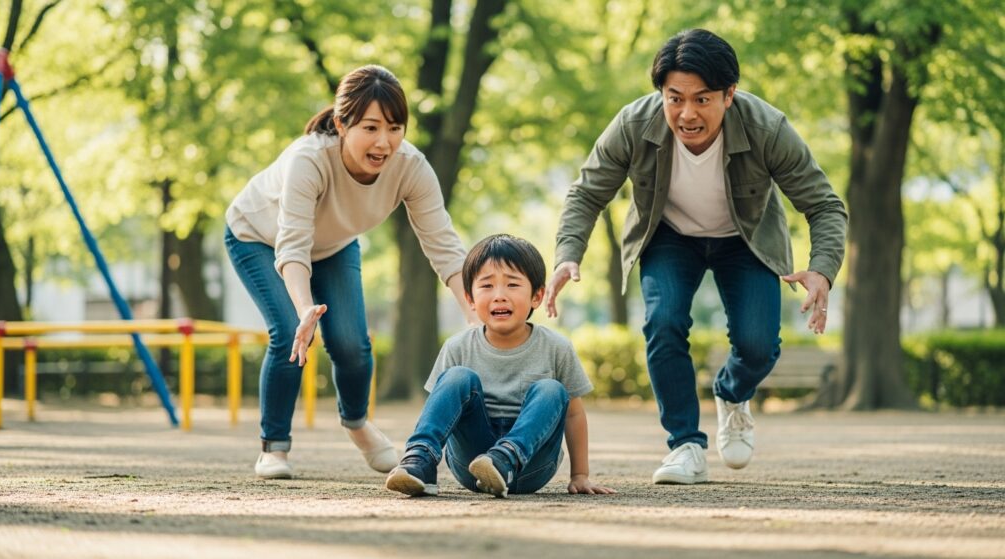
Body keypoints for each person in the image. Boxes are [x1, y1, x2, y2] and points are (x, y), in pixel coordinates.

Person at [547, 29, 848, 485]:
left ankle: (732, 394)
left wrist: (823, 268)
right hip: (671, 237)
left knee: (757, 345)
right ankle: (685, 444)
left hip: (745, 242)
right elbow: (587, 193)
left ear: (730, 95)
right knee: (662, 322)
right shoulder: (633, 124)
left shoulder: (767, 128)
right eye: (675, 98)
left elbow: (824, 205)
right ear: (661, 94)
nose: (687, 114)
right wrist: (568, 254)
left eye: (702, 99)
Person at [224, 65, 476, 479]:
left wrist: (471, 308)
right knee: (290, 329)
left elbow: (443, 245)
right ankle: (275, 447)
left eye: (395, 128)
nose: (384, 142)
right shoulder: (309, 159)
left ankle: (357, 423)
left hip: (335, 244)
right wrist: (305, 309)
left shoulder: (411, 167)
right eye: (371, 127)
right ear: (342, 124)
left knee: (352, 345)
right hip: (257, 237)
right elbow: (292, 245)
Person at [385, 234, 615, 498]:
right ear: (470, 298)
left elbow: (574, 415)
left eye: (512, 284)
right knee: (457, 377)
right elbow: (438, 410)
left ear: (537, 296)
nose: (499, 296)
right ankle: (420, 461)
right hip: (472, 465)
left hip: (531, 466)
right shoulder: (458, 347)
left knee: (552, 389)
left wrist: (580, 475)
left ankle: (505, 459)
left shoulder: (556, 347)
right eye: (487, 286)